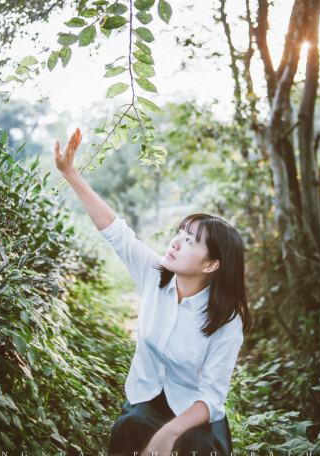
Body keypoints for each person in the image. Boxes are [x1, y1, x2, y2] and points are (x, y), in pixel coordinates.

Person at [54, 127, 251, 456]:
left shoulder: (227, 322)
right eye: (179, 233)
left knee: (193, 446)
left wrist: (169, 433)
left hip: (193, 412)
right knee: (129, 430)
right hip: (145, 398)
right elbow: (116, 231)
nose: (176, 242)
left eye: (190, 241)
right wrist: (70, 172)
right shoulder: (155, 274)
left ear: (212, 265)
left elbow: (211, 398)